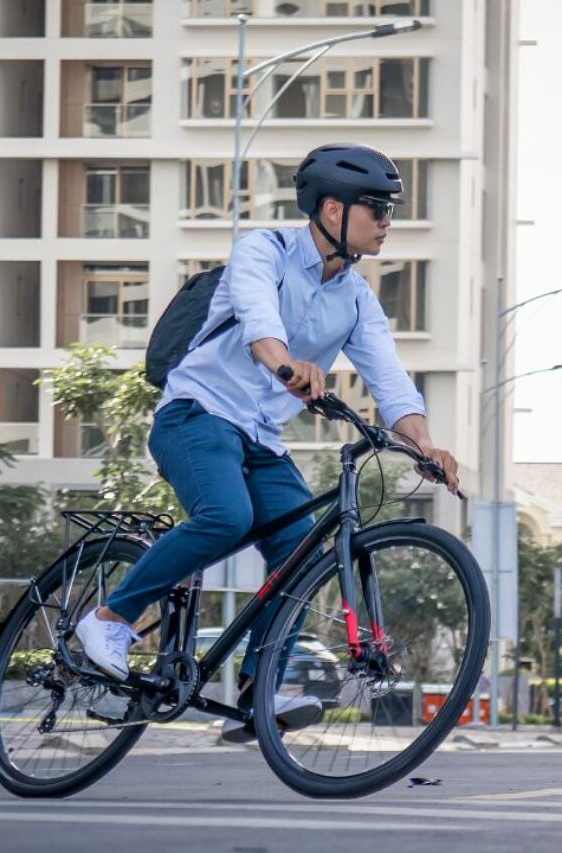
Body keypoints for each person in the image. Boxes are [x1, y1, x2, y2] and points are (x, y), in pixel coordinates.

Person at [76, 143, 459, 739]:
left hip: (260, 437)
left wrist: (425, 445)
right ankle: (110, 618)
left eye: (391, 210)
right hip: (196, 413)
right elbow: (260, 322)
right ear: (333, 209)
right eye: (378, 208)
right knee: (227, 516)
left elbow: (390, 381)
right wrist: (286, 366)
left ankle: (261, 688)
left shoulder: (356, 297)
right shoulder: (265, 250)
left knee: (300, 544)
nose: (389, 222)